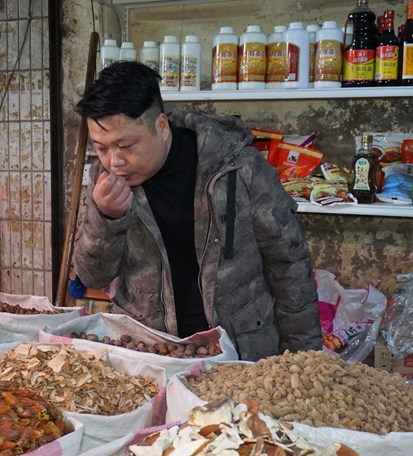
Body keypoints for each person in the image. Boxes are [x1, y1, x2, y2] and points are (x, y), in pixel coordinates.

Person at [73, 61, 322, 361]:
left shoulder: (235, 166)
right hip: (152, 353)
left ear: (161, 126)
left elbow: (289, 265)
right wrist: (107, 217)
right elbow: (93, 276)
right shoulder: (105, 181)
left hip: (238, 353)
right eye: (101, 148)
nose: (114, 161)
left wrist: (304, 359)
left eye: (126, 146)